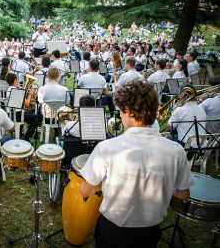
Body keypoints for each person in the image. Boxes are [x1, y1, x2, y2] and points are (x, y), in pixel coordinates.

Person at [80, 80, 194, 248]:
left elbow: (85, 190)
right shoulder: (176, 150)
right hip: (150, 232)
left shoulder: (106, 148)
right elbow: (184, 194)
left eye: (120, 111)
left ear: (128, 111)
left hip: (114, 230)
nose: (119, 115)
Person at [167, 84, 207, 153]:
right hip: (202, 147)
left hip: (187, 148)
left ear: (181, 95)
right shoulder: (202, 109)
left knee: (163, 138)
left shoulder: (179, 110)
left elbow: (169, 128)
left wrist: (173, 113)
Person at [5, 73, 40, 142]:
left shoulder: (9, 90)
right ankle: (26, 138)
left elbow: (22, 103)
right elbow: (27, 104)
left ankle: (20, 132)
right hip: (17, 115)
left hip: (11, 113)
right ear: (15, 80)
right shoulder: (17, 91)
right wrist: (30, 94)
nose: (18, 81)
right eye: (17, 79)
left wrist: (30, 101)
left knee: (34, 111)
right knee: (36, 117)